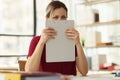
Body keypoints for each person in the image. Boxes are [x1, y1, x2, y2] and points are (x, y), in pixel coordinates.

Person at [25, 1, 88, 76]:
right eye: (55, 17)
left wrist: (78, 43)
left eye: (63, 17)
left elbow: (84, 71)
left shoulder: (72, 40)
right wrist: (41, 42)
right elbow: (29, 71)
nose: (60, 20)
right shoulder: (36, 41)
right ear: (47, 19)